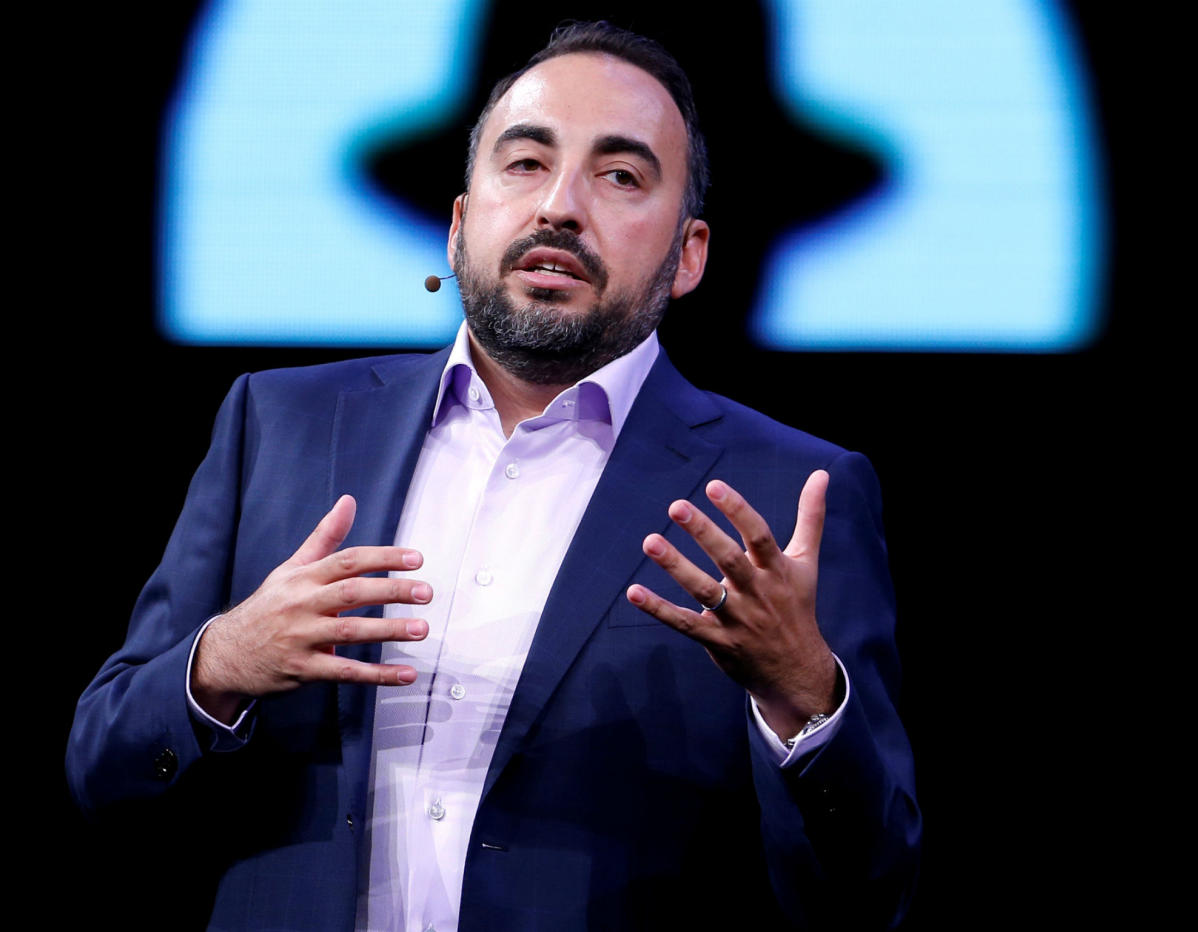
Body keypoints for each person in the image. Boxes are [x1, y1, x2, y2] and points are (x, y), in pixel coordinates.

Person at [68, 22, 920, 932]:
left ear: (690, 255)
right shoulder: (275, 425)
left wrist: (803, 703)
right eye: (524, 163)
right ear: (462, 221)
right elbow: (101, 770)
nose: (560, 206)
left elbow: (871, 891)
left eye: (621, 176)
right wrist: (224, 663)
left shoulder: (790, 493)